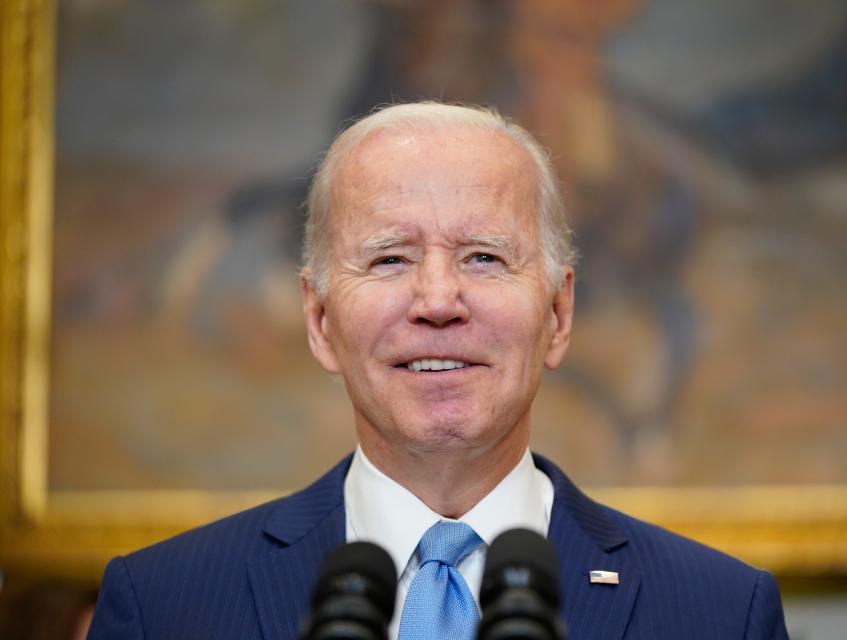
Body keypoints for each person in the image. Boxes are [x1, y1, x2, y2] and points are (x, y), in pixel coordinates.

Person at [87, 102, 789, 639]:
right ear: (320, 319)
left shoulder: (722, 613)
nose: (437, 301)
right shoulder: (163, 606)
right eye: (390, 258)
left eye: (483, 256)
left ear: (559, 313)